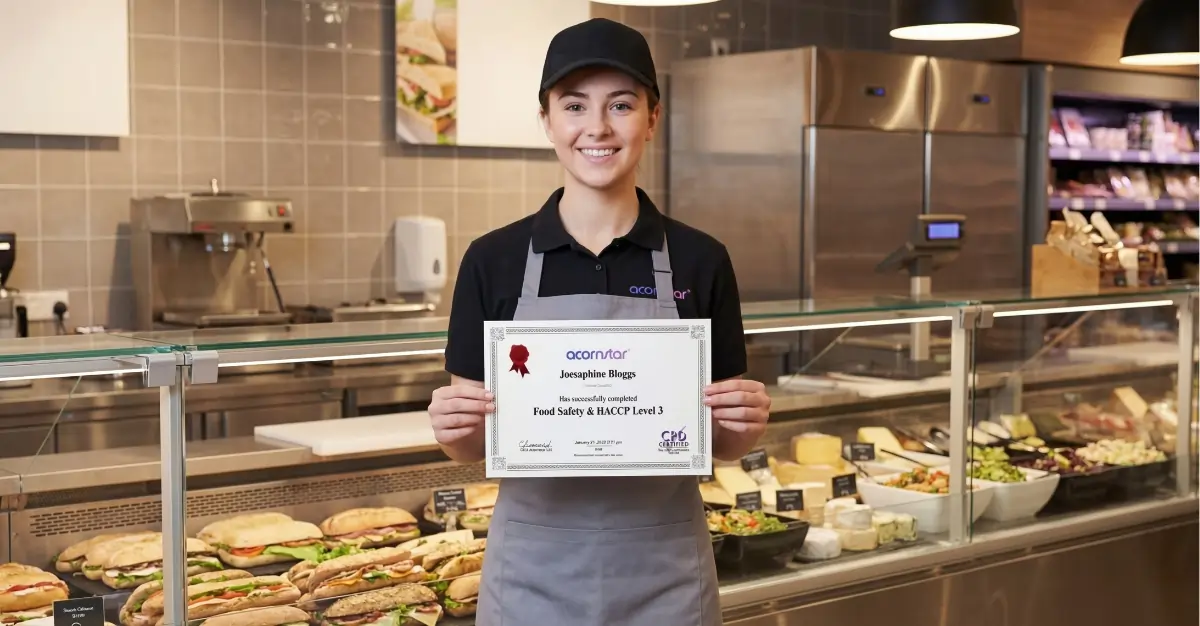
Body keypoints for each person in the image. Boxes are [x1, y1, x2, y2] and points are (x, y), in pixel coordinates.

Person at [427, 17, 771, 626]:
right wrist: (454, 430)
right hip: (532, 571)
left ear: (652, 118)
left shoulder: (702, 259)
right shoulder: (492, 260)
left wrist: (743, 426)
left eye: (621, 104)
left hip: (665, 570)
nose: (598, 127)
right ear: (547, 120)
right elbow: (473, 444)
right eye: (574, 105)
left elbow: (720, 438)